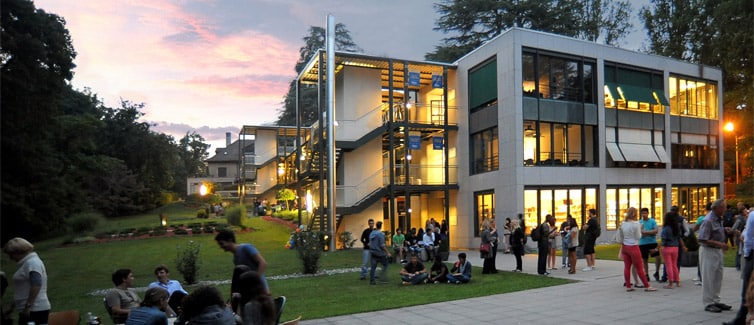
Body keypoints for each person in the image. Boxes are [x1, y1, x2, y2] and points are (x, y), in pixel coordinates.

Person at [3, 237, 50, 325]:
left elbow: (36, 284)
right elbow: (22, 290)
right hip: (29, 310)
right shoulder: (27, 264)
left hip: (34, 310)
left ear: (18, 251)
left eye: (11, 254)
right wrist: (12, 307)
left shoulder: (32, 263)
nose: (11, 258)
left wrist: (28, 306)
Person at [698, 198, 734, 313]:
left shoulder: (719, 219)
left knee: (718, 276)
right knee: (709, 277)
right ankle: (708, 302)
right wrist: (719, 243)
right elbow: (702, 239)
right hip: (709, 251)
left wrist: (724, 230)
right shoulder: (708, 220)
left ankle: (716, 300)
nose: (725, 209)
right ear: (717, 208)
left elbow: (715, 231)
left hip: (717, 251)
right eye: (723, 207)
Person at [215, 229, 270, 295]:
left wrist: (256, 280)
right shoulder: (235, 259)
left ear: (230, 240)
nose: (221, 246)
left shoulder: (246, 248)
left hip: (260, 288)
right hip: (251, 290)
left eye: (221, 243)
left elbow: (263, 263)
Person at [725, 203, 753, 325]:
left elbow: (748, 238)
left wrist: (746, 254)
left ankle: (741, 317)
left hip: (752, 255)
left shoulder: (752, 216)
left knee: (748, 286)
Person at [616, 207, 657, 292]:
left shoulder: (623, 223)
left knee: (627, 267)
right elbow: (638, 236)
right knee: (639, 267)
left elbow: (622, 235)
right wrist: (641, 229)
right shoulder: (636, 224)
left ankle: (628, 285)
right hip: (633, 246)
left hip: (625, 246)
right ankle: (647, 286)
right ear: (635, 214)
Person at [660, 212, 684, 289]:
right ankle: (677, 281)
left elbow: (663, 240)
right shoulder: (676, 228)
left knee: (668, 265)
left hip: (667, 247)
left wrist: (659, 247)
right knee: (674, 265)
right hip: (675, 247)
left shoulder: (666, 228)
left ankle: (670, 282)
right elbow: (679, 238)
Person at [638, 207, 661, 283]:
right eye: (642, 213)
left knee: (658, 257)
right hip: (643, 243)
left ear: (648, 213)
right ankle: (646, 274)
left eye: (645, 213)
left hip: (652, 242)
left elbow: (656, 230)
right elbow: (639, 233)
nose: (644, 214)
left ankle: (657, 272)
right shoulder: (639, 222)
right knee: (645, 259)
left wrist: (645, 232)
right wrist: (650, 232)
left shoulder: (652, 221)